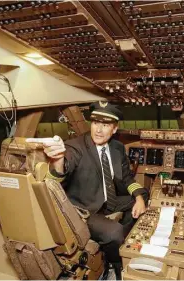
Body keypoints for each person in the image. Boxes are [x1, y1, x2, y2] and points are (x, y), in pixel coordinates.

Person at [43, 101, 148, 278]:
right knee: (114, 233)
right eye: (95, 123)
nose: (98, 130)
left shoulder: (117, 148)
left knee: (142, 196)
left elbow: (128, 178)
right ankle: (116, 262)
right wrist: (58, 160)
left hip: (109, 200)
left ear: (114, 129)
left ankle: (124, 239)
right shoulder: (75, 146)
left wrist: (138, 198)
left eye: (105, 125)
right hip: (86, 209)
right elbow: (60, 172)